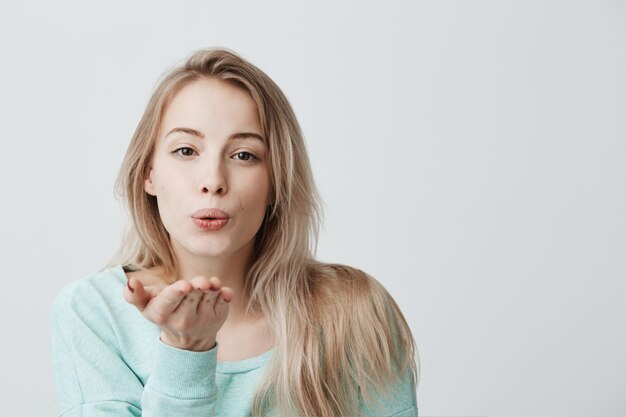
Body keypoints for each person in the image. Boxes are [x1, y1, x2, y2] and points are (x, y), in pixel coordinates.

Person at [50, 47, 420, 417]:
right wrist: (185, 352)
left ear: (276, 180)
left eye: (244, 155)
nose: (213, 181)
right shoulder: (94, 313)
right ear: (149, 173)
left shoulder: (354, 313)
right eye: (185, 150)